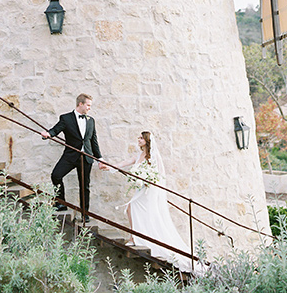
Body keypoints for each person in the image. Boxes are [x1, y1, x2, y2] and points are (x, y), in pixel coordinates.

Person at [117, 131, 192, 272]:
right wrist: (109, 166)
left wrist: (148, 180)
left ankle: (138, 238)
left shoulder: (155, 156)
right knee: (130, 208)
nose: (138, 140)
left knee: (139, 210)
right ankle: (134, 237)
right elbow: (125, 162)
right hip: (141, 189)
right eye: (138, 137)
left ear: (146, 140)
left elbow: (160, 176)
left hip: (150, 190)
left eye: (141, 138)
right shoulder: (139, 155)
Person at [42, 93, 107, 219]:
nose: (89, 108)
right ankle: (61, 203)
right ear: (80, 104)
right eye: (88, 105)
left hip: (86, 157)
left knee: (84, 187)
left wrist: (100, 159)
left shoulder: (91, 120)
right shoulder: (66, 118)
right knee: (56, 175)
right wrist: (48, 134)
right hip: (70, 156)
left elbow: (94, 141)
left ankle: (85, 214)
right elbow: (56, 130)